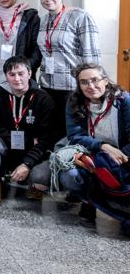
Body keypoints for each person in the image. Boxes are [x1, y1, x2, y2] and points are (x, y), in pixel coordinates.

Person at [0, 56, 57, 206]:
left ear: (30, 73)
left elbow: (46, 138)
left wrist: (27, 163)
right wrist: (27, 139)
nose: (17, 78)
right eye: (11, 74)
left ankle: (32, 181)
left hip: (34, 153)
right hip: (7, 148)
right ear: (6, 76)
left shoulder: (43, 99)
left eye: (21, 73)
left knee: (41, 176)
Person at [63, 63, 129, 225]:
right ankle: (89, 202)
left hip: (123, 157)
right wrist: (102, 147)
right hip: (91, 155)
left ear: (105, 80)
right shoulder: (74, 102)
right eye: (84, 82)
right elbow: (75, 136)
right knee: (69, 176)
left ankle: (119, 205)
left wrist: (117, 158)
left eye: (95, 80)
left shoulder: (124, 101)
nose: (90, 86)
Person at [36, 0, 101, 138]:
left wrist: (91, 86)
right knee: (51, 133)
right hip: (47, 86)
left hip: (71, 88)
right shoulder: (43, 21)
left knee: (72, 134)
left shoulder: (80, 17)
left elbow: (91, 57)